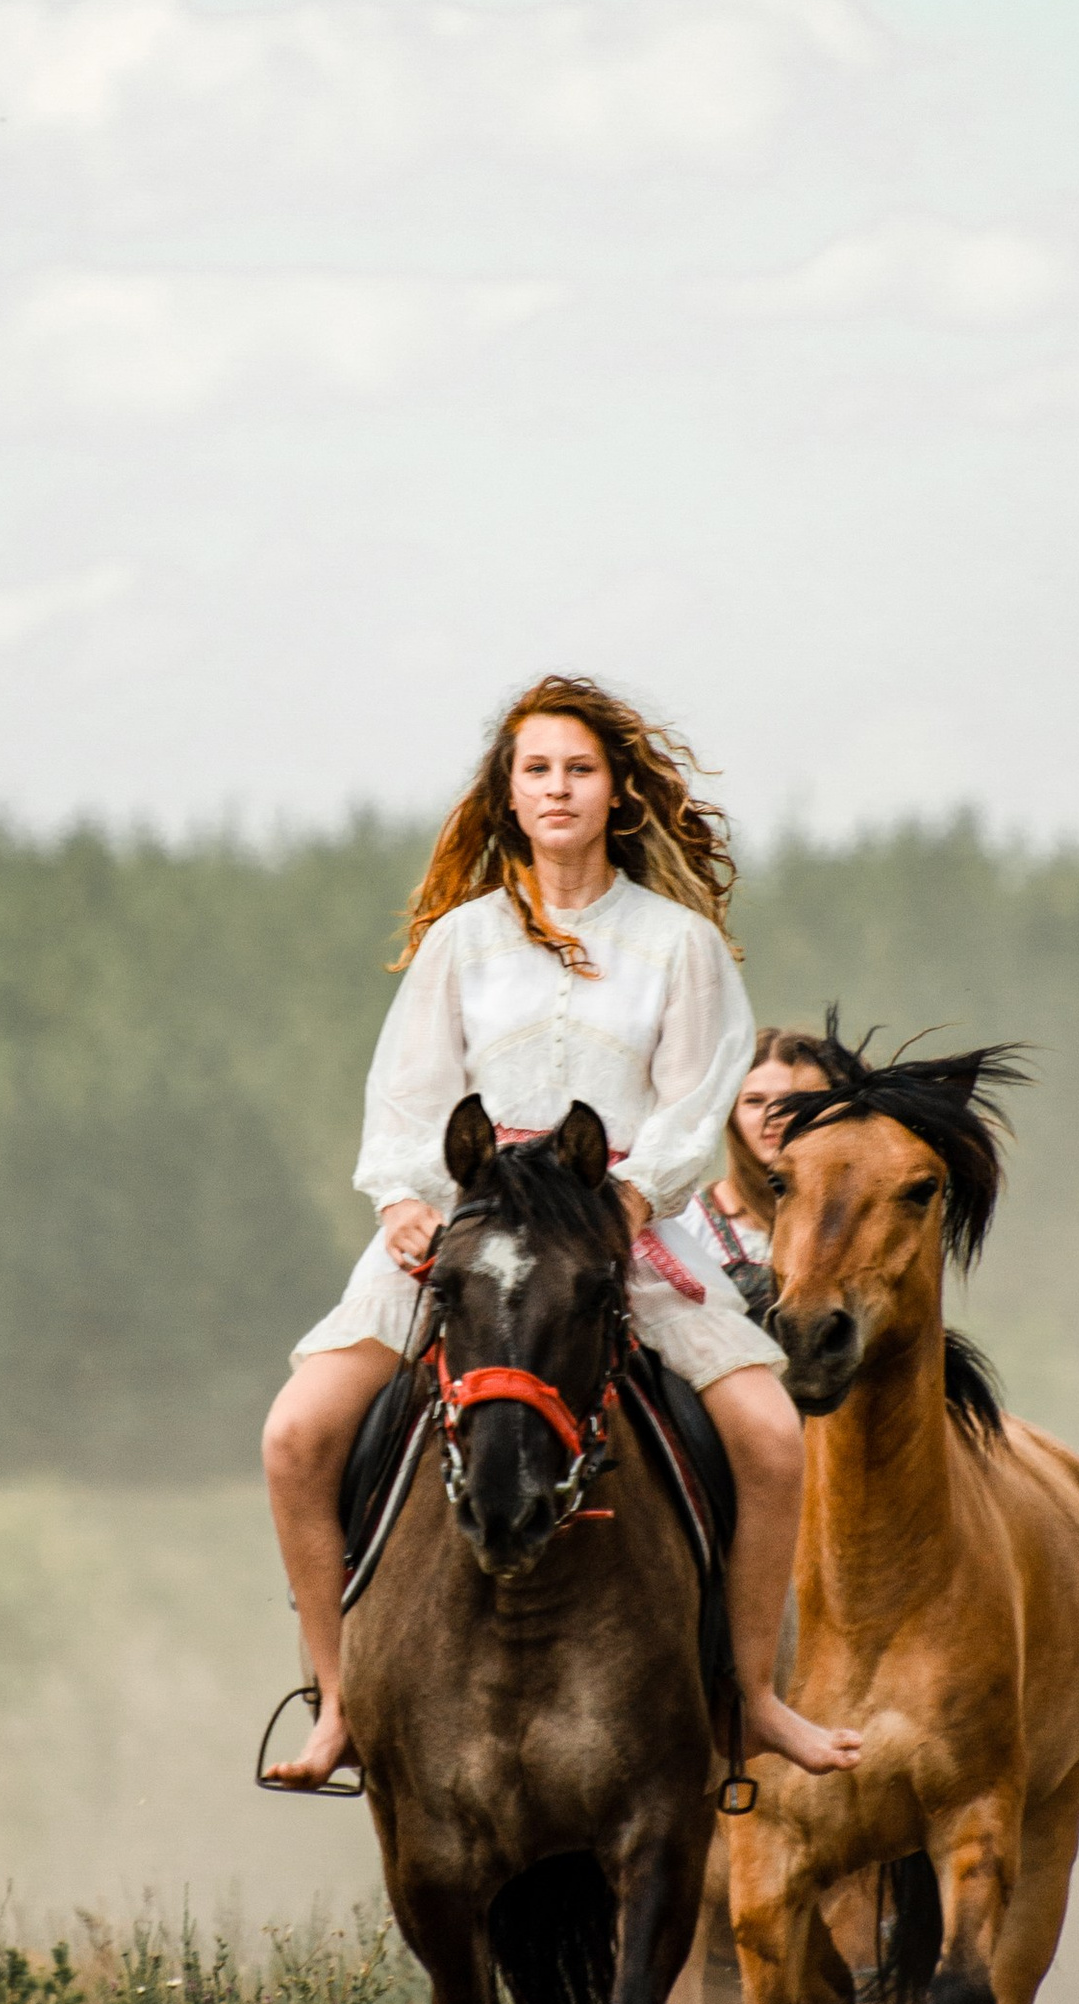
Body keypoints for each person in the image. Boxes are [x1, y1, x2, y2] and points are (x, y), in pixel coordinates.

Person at [261, 678, 864, 1790]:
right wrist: (403, 1202)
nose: (557, 788)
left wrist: (629, 1201)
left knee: (771, 1437)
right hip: (473, 1226)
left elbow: (694, 1100)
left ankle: (752, 1696)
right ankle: (340, 1701)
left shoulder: (679, 946)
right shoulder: (461, 942)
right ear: (508, 790)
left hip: (620, 1227)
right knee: (297, 1435)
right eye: (536, 769)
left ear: (614, 791)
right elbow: (408, 1092)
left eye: (578, 769)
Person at [655, 1024, 831, 1327]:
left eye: (793, 1100)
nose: (773, 1116)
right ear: (731, 1111)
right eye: (754, 1101)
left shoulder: (850, 1220)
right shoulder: (685, 1223)